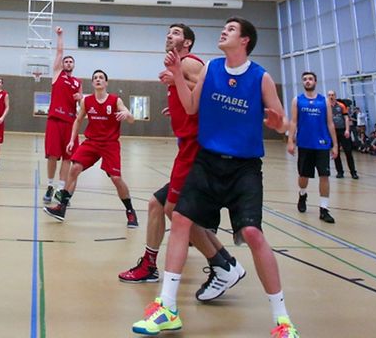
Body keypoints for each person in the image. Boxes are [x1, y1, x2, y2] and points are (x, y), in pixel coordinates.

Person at [133, 17, 298, 338]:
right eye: (224, 27)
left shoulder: (260, 78)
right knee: (179, 218)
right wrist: (178, 76)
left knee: (252, 233)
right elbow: (192, 107)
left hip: (244, 167)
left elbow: (283, 124)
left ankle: (283, 321)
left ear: (245, 40)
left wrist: (280, 125)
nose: (224, 30)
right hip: (207, 161)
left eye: (232, 29)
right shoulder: (211, 68)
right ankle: (167, 307)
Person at [119, 24, 244, 300]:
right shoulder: (180, 65)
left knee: (175, 212)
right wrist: (175, 103)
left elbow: (213, 93)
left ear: (187, 43)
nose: (169, 35)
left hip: (196, 148)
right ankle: (153, 265)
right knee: (157, 204)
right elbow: (192, 98)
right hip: (186, 146)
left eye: (175, 33)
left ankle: (222, 266)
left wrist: (178, 80)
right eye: (168, 32)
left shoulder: (189, 62)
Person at [43, 69, 138, 227]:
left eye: (101, 78)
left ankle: (130, 211)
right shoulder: (86, 101)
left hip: (110, 144)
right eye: (95, 78)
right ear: (93, 83)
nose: (98, 80)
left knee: (116, 178)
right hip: (92, 142)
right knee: (75, 169)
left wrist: (126, 114)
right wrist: (72, 140)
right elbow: (78, 121)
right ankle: (61, 208)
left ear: (106, 83)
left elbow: (132, 120)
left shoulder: (115, 100)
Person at [288, 72, 336, 224]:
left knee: (324, 175)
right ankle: (302, 194)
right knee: (303, 176)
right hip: (304, 144)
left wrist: (335, 144)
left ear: (315, 81)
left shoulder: (324, 101)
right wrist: (290, 140)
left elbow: (330, 123)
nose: (307, 81)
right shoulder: (298, 100)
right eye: (305, 79)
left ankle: (324, 209)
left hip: (322, 144)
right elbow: (293, 122)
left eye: (310, 79)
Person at [42, 26, 83, 204]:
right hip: (55, 120)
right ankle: (50, 185)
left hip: (70, 123)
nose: (67, 63)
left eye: (70, 62)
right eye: (65, 61)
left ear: (74, 65)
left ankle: (60, 188)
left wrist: (81, 98)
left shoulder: (78, 82)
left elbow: (81, 105)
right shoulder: (57, 74)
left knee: (68, 158)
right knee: (52, 155)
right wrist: (60, 35)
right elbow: (59, 52)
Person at [329, 91, 357, 179]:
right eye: (329, 95)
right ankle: (340, 172)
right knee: (335, 152)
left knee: (348, 152)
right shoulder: (326, 107)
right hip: (333, 132)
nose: (331, 97)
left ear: (335, 96)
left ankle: (353, 172)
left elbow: (346, 118)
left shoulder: (341, 105)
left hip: (343, 130)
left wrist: (347, 130)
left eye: (332, 95)